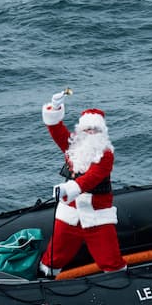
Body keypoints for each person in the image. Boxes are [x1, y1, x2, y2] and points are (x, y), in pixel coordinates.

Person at [38, 91, 126, 277]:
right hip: (70, 212)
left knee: (109, 257)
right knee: (56, 253)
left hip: (97, 214)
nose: (91, 133)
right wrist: (54, 108)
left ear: (102, 133)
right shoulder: (73, 147)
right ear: (81, 131)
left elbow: (92, 177)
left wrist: (69, 189)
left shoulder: (106, 154)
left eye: (95, 130)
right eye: (87, 130)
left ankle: (117, 281)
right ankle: (46, 277)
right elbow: (56, 130)